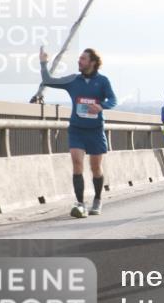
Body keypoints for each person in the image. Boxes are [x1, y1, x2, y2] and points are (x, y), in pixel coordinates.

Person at [39, 46, 117, 218]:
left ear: (93, 62)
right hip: (76, 130)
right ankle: (80, 203)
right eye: (79, 58)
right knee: (77, 164)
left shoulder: (103, 81)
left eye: (82, 59)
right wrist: (43, 63)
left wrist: (101, 106)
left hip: (95, 130)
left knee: (96, 167)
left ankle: (97, 199)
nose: (79, 61)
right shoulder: (73, 80)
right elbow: (48, 80)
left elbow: (113, 99)